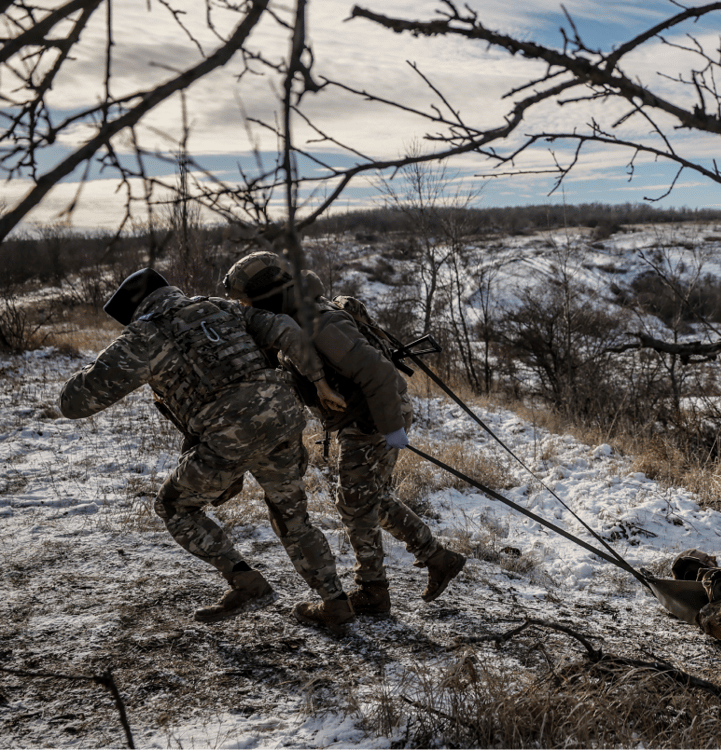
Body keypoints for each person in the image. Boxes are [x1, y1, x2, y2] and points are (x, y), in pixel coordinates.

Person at [59, 268, 356, 631]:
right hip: (281, 418)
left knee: (174, 506)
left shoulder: (142, 337)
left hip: (227, 434)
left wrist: (104, 360)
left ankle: (246, 582)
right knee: (292, 516)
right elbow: (285, 329)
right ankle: (335, 602)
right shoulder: (220, 307)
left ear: (134, 311)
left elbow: (72, 403)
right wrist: (318, 381)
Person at [223, 252, 465, 616]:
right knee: (369, 498)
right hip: (364, 417)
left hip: (371, 418)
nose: (245, 308)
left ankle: (373, 591)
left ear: (263, 292)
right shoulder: (295, 317)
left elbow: (379, 373)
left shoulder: (319, 322)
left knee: (354, 503)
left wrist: (391, 428)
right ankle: (437, 558)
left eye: (245, 299)